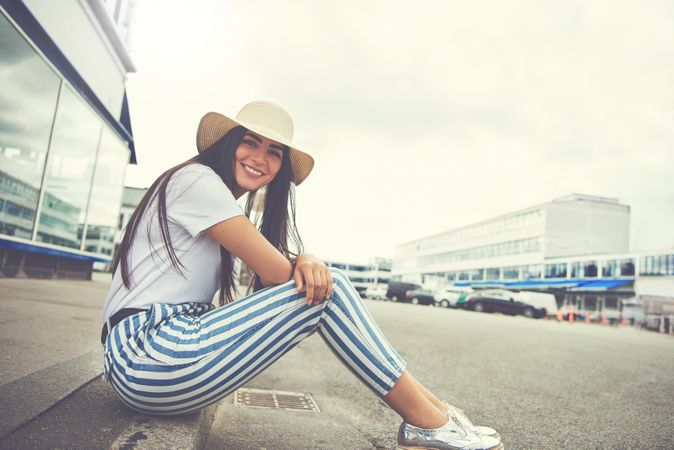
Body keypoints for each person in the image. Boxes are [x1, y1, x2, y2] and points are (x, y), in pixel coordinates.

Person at [101, 101, 503, 450]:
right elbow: (280, 273)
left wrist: (307, 257)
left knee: (323, 283)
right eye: (251, 141)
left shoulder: (217, 205)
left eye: (274, 152)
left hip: (157, 359)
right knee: (327, 289)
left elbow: (278, 272)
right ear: (228, 143)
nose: (261, 157)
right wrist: (309, 261)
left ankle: (436, 413)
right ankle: (428, 422)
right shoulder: (197, 181)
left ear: (279, 170)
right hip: (148, 354)